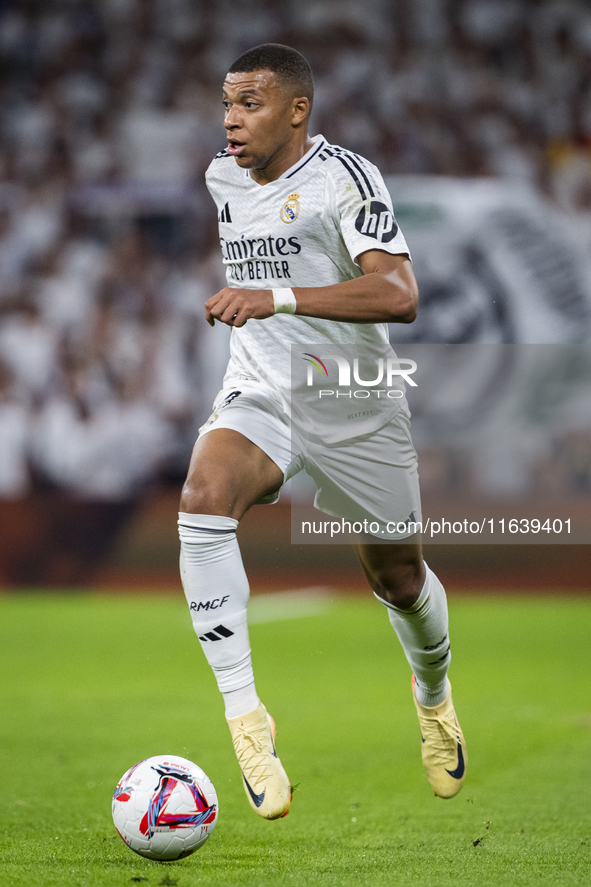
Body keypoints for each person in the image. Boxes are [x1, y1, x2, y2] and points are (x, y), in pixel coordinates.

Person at [178, 43, 466, 821]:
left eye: (250, 103)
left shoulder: (345, 179)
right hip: (263, 388)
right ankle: (246, 719)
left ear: (297, 109)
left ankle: (433, 699)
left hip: (352, 401)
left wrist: (275, 296)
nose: (230, 120)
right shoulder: (221, 177)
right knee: (203, 497)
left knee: (398, 581)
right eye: (227, 103)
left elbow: (400, 294)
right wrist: (266, 313)